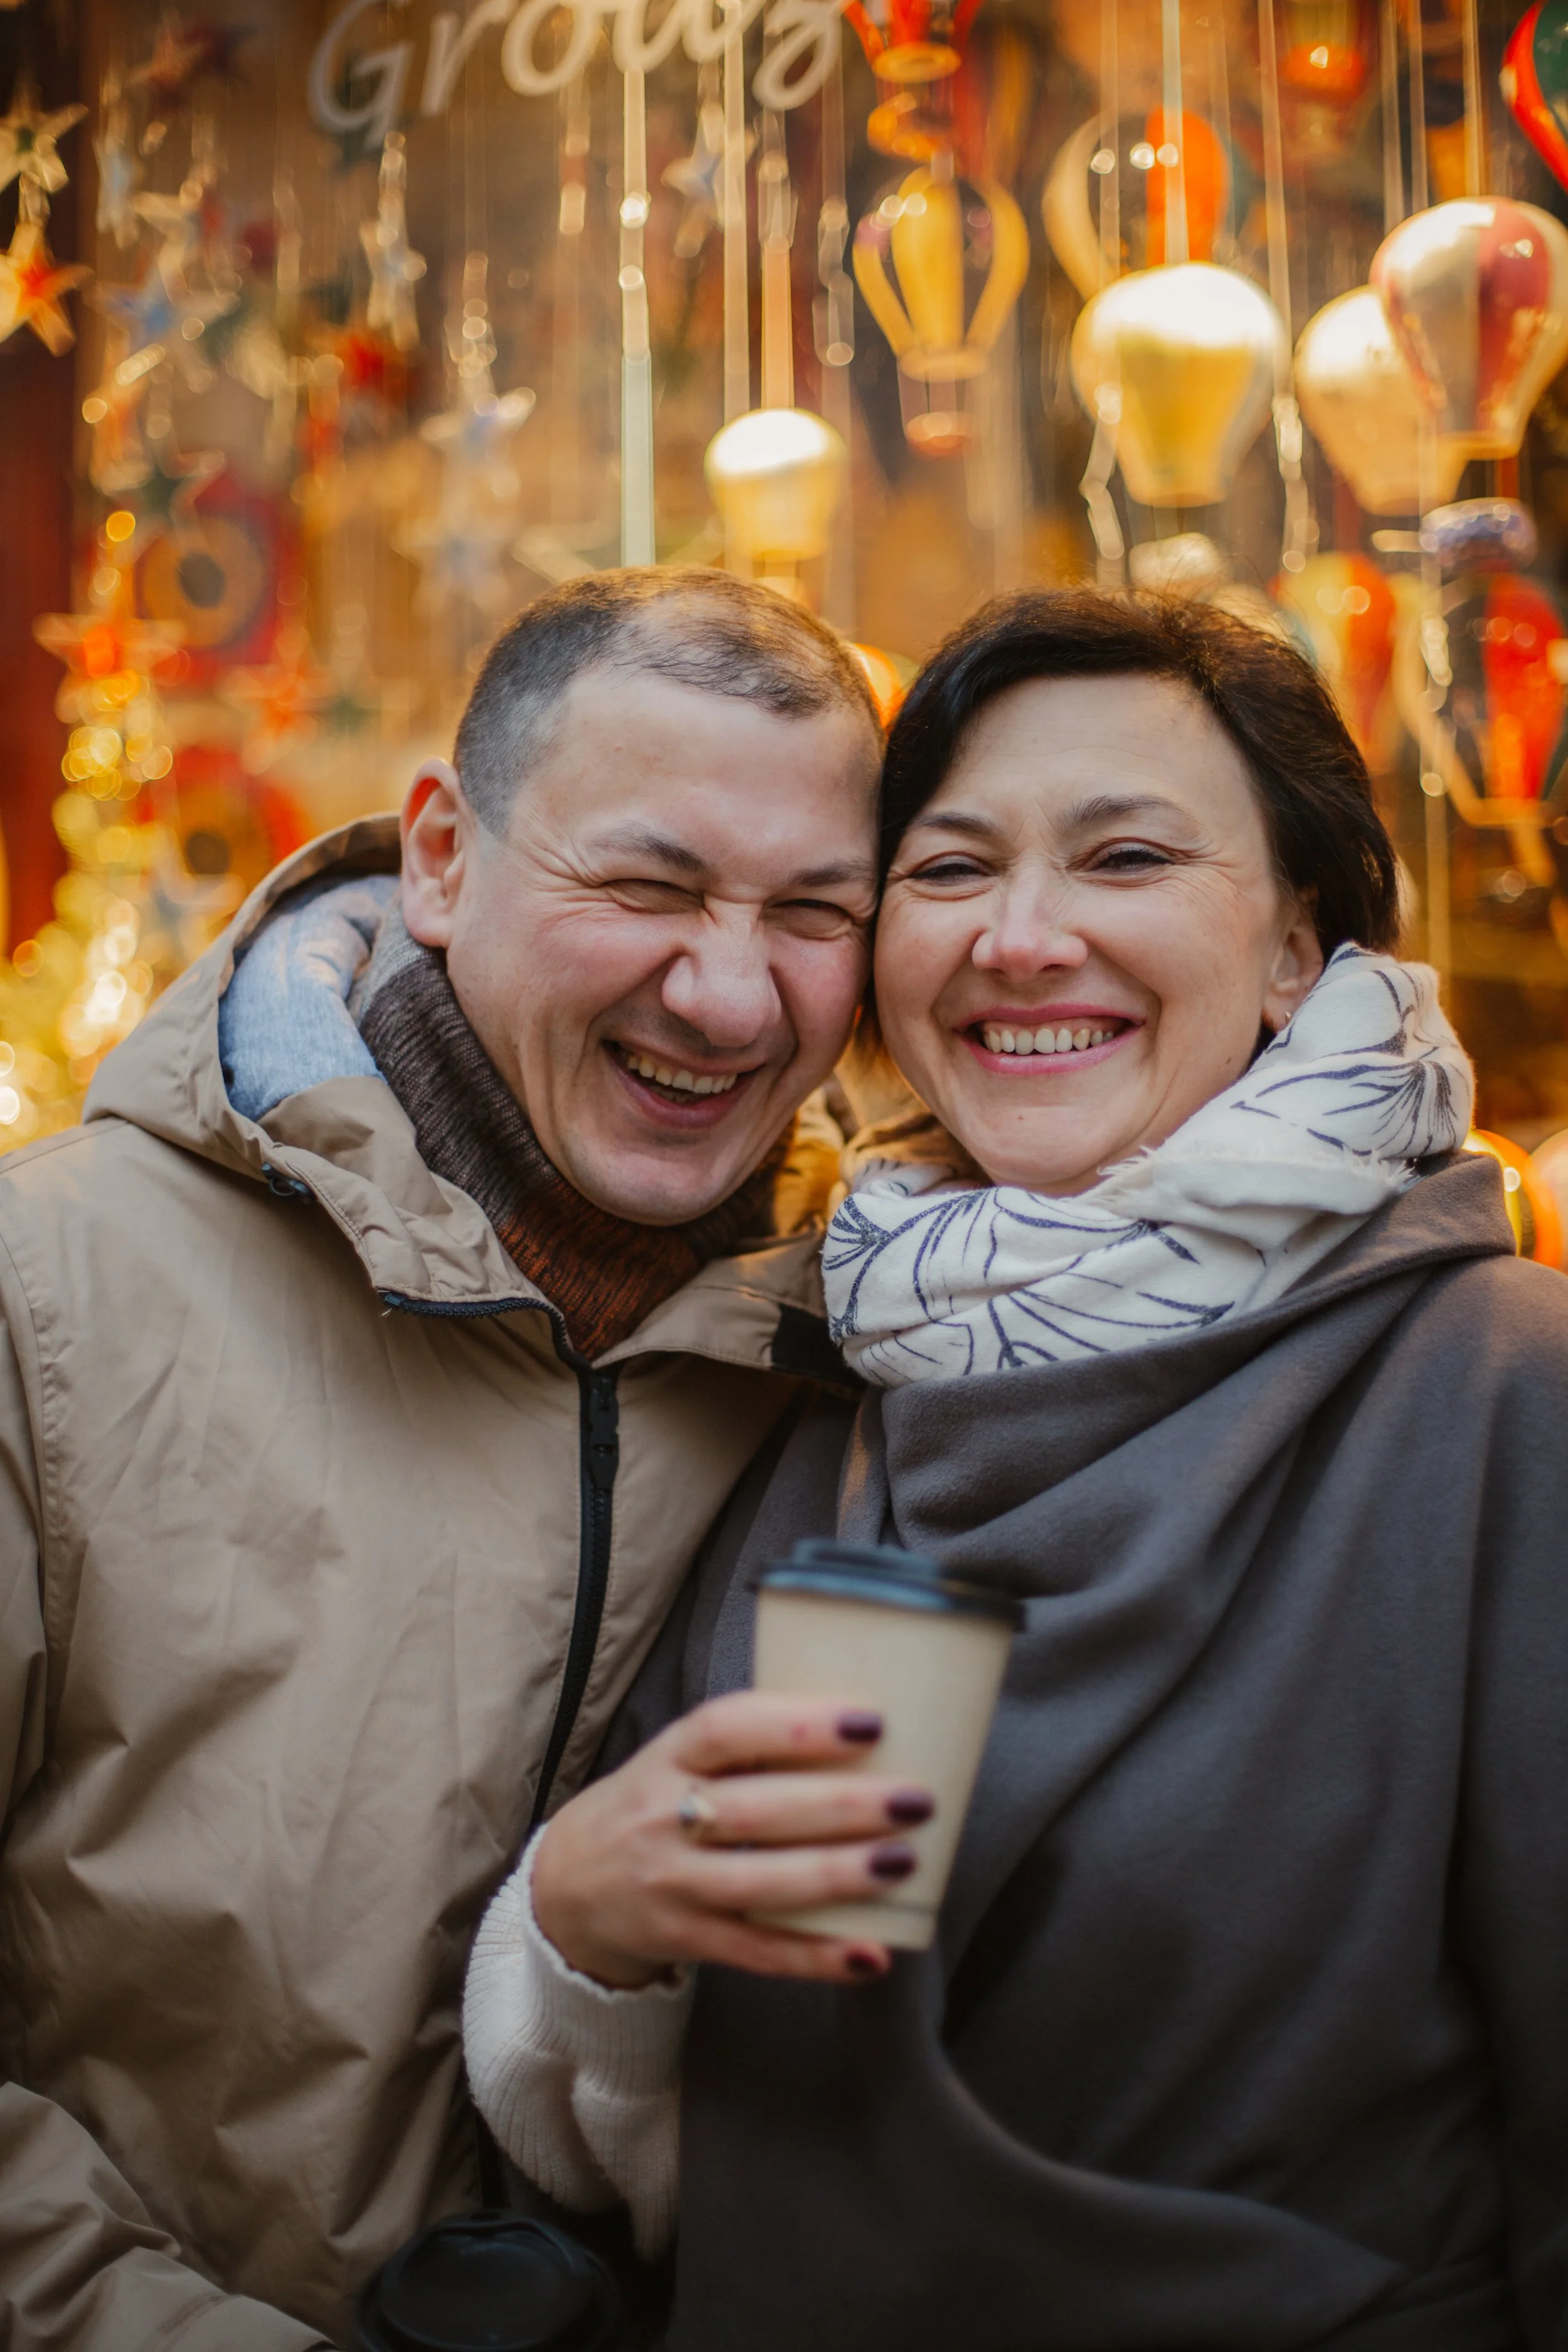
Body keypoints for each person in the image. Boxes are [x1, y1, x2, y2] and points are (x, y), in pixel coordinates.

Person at [465, 589, 1568, 2350]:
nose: (1020, 938)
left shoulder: (1495, 1391)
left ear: (1296, 942)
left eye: (1123, 856)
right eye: (951, 867)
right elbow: (694, 2165)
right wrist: (577, 1941)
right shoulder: (812, 1368)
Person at [0, 566, 883, 2349]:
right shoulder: (49, 1290)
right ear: (439, 855)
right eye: (643, 883)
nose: (725, 993)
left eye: (813, 911)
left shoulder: (867, 1351)